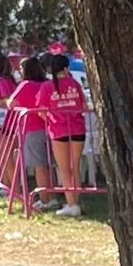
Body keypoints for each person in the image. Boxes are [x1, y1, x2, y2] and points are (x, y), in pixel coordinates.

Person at [8, 57, 56, 211]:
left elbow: (11, 103)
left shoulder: (25, 85)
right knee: (49, 165)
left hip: (32, 129)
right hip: (51, 128)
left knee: (39, 166)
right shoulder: (47, 84)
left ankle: (45, 199)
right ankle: (52, 196)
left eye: (21, 69)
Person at [44, 54, 89, 217]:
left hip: (58, 129)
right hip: (77, 128)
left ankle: (71, 204)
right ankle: (74, 201)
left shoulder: (47, 87)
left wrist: (51, 118)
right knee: (74, 166)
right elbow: (83, 105)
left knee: (64, 169)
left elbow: (41, 110)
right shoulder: (75, 84)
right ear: (66, 68)